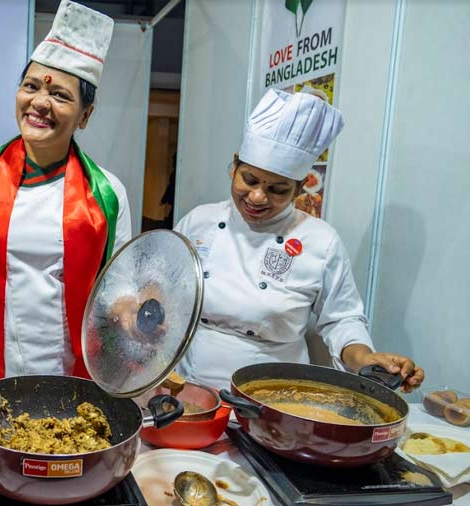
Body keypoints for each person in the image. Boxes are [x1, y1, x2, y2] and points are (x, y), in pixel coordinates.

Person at [0, 0, 131, 404]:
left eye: (59, 94)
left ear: (85, 114)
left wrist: (133, 313)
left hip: (71, 375)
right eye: (31, 87)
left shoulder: (108, 194)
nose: (40, 102)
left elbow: (118, 290)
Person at [175, 89, 425, 392]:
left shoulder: (320, 241)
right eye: (249, 180)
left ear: (300, 187)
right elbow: (162, 289)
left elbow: (341, 319)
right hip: (189, 385)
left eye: (277, 190)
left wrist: (366, 358)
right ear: (235, 166)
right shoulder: (198, 220)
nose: (256, 197)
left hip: (272, 394)